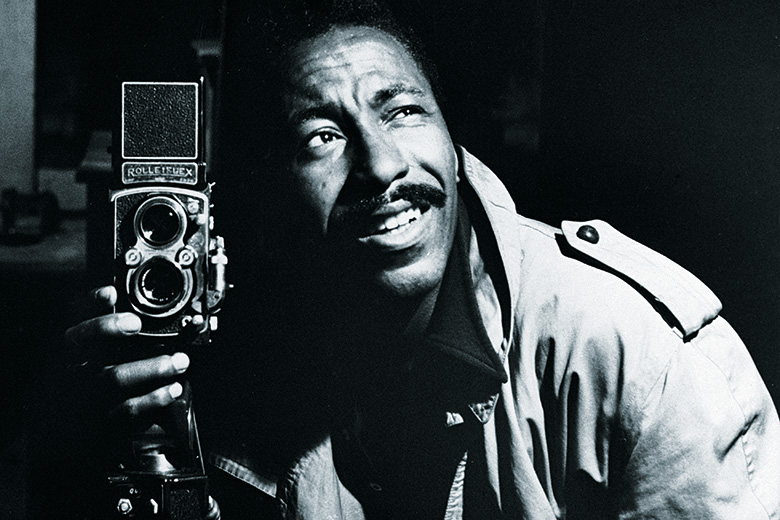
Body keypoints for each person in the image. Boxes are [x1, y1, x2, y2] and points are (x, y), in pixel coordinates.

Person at [65, 1, 780, 518]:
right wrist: (125, 451)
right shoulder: (250, 344)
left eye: (401, 110)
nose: (380, 165)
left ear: (455, 148)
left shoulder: (636, 356)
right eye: (322, 136)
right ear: (276, 196)